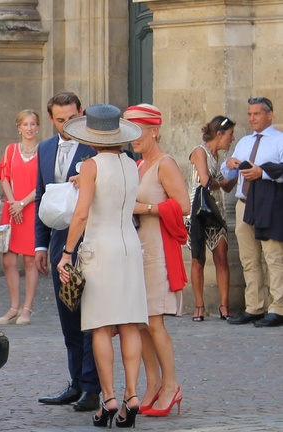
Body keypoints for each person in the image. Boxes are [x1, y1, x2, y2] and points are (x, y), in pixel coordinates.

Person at [57, 104, 147, 428]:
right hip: (129, 246)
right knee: (129, 323)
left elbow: (81, 215)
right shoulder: (132, 163)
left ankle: (108, 398)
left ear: (93, 135)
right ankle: (133, 394)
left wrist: (67, 253)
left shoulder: (92, 165)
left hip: (100, 247)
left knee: (100, 326)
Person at [34, 91, 100, 412]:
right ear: (51, 119)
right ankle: (75, 382)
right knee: (68, 315)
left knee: (91, 317)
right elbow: (40, 197)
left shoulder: (97, 148)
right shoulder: (45, 148)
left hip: (92, 241)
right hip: (60, 242)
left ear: (81, 113)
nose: (66, 125)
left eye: (72, 118)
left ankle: (92, 387)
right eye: (60, 120)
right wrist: (40, 244)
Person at [124, 103, 190, 417]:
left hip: (158, 252)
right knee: (139, 322)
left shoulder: (165, 164)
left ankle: (171, 385)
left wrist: (145, 209)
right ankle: (152, 384)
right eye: (130, 131)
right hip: (139, 251)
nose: (133, 138)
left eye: (138, 131)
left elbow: (184, 205)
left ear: (155, 131)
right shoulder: (137, 166)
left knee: (155, 322)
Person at [223, 97, 283, 328]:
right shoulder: (245, 142)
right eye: (249, 114)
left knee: (273, 256)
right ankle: (254, 307)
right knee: (249, 258)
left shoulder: (279, 140)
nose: (252, 118)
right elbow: (229, 175)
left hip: (269, 204)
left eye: (256, 114)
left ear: (270, 114)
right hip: (244, 203)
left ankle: (277, 308)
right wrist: (227, 165)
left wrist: (262, 173)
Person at [187, 116, 237, 322]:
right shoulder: (200, 152)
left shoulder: (221, 159)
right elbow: (206, 181)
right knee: (198, 259)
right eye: (230, 135)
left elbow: (226, 186)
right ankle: (199, 306)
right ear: (219, 134)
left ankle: (224, 306)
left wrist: (235, 171)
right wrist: (222, 179)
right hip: (198, 211)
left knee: (221, 256)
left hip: (215, 212)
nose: (232, 139)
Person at [0, 109, 40, 325]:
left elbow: (42, 184)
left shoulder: (43, 151)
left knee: (30, 260)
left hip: (30, 209)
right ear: (18, 127)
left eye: (33, 124)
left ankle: (28, 308)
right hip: (12, 210)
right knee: (8, 260)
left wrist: (23, 203)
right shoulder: (11, 150)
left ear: (38, 127)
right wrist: (13, 203)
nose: (29, 128)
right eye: (25, 124)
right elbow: (4, 177)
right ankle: (14, 306)